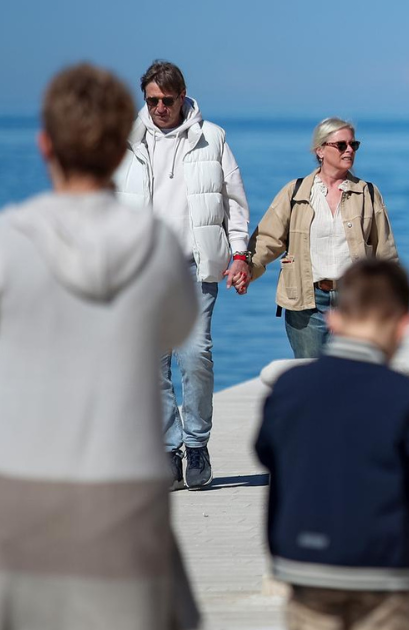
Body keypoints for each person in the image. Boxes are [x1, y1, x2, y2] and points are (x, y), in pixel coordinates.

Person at [0, 63, 200, 630]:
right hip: (122, 502)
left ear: (45, 143)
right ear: (122, 148)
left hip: (10, 505)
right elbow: (176, 331)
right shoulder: (157, 250)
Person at [255, 259, 409, 630]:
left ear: (334, 321)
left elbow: (265, 451)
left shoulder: (289, 389)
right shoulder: (406, 396)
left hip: (304, 564)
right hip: (381, 568)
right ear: (403, 325)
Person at [114, 59, 251, 490]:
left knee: (195, 356)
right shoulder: (127, 141)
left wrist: (241, 253)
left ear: (181, 96)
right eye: (152, 100)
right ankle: (170, 452)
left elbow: (235, 200)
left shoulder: (213, 138)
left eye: (166, 100)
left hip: (196, 266)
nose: (159, 108)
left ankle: (197, 445)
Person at [248, 117, 400, 359]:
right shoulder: (295, 192)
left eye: (353, 145)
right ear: (320, 150)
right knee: (312, 379)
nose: (349, 150)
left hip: (355, 301)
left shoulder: (368, 193)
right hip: (307, 302)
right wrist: (245, 269)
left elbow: (386, 252)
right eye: (341, 145)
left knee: (352, 377)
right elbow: (267, 239)